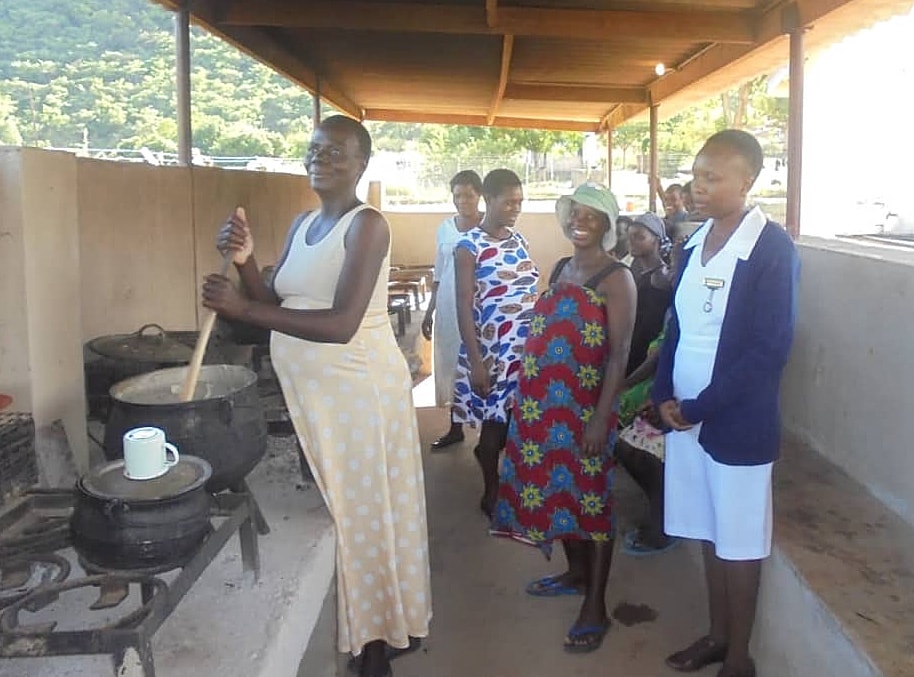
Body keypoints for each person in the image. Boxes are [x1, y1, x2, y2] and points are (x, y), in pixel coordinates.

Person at [202, 115, 431, 677]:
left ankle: (376, 646)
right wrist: (245, 262)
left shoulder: (367, 226)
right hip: (315, 393)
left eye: (336, 153)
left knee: (363, 514)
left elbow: (341, 324)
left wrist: (241, 309)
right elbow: (276, 302)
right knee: (354, 509)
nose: (320, 160)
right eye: (314, 150)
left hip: (358, 393)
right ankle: (388, 621)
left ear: (361, 164)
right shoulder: (303, 224)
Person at [652, 129, 799, 677]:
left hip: (735, 421)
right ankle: (716, 637)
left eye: (713, 178)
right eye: (695, 175)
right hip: (686, 417)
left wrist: (702, 405)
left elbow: (770, 348)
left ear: (749, 181)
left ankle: (739, 658)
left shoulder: (770, 249)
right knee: (709, 530)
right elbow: (678, 327)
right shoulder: (695, 242)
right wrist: (665, 393)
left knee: (738, 540)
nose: (698, 187)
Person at [490, 184, 636, 654]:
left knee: (592, 503)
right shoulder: (561, 268)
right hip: (543, 410)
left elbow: (618, 356)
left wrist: (599, 419)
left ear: (607, 225)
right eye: (576, 213)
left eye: (593, 216)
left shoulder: (617, 279)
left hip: (585, 411)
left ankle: (596, 605)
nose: (581, 222)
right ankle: (575, 574)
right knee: (559, 491)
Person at [452, 169, 539, 518]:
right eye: (508, 202)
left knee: (520, 424)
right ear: (489, 201)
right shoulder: (468, 246)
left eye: (519, 202)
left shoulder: (519, 240)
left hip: (527, 350)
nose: (515, 209)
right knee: (494, 429)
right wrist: (476, 362)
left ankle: (511, 481)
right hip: (494, 352)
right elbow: (463, 306)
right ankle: (492, 489)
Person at [422, 170, 484, 450]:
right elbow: (439, 271)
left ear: (479, 195)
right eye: (458, 195)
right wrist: (429, 310)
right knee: (452, 364)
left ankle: (489, 431)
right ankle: (455, 427)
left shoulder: (489, 227)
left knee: (481, 363)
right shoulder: (445, 228)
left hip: (480, 306)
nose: (463, 201)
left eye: (468, 195)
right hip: (448, 307)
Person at [625, 212, 672, 374]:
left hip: (642, 357)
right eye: (630, 236)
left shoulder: (659, 278)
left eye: (639, 237)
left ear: (656, 241)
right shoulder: (636, 271)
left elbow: (649, 330)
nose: (631, 242)